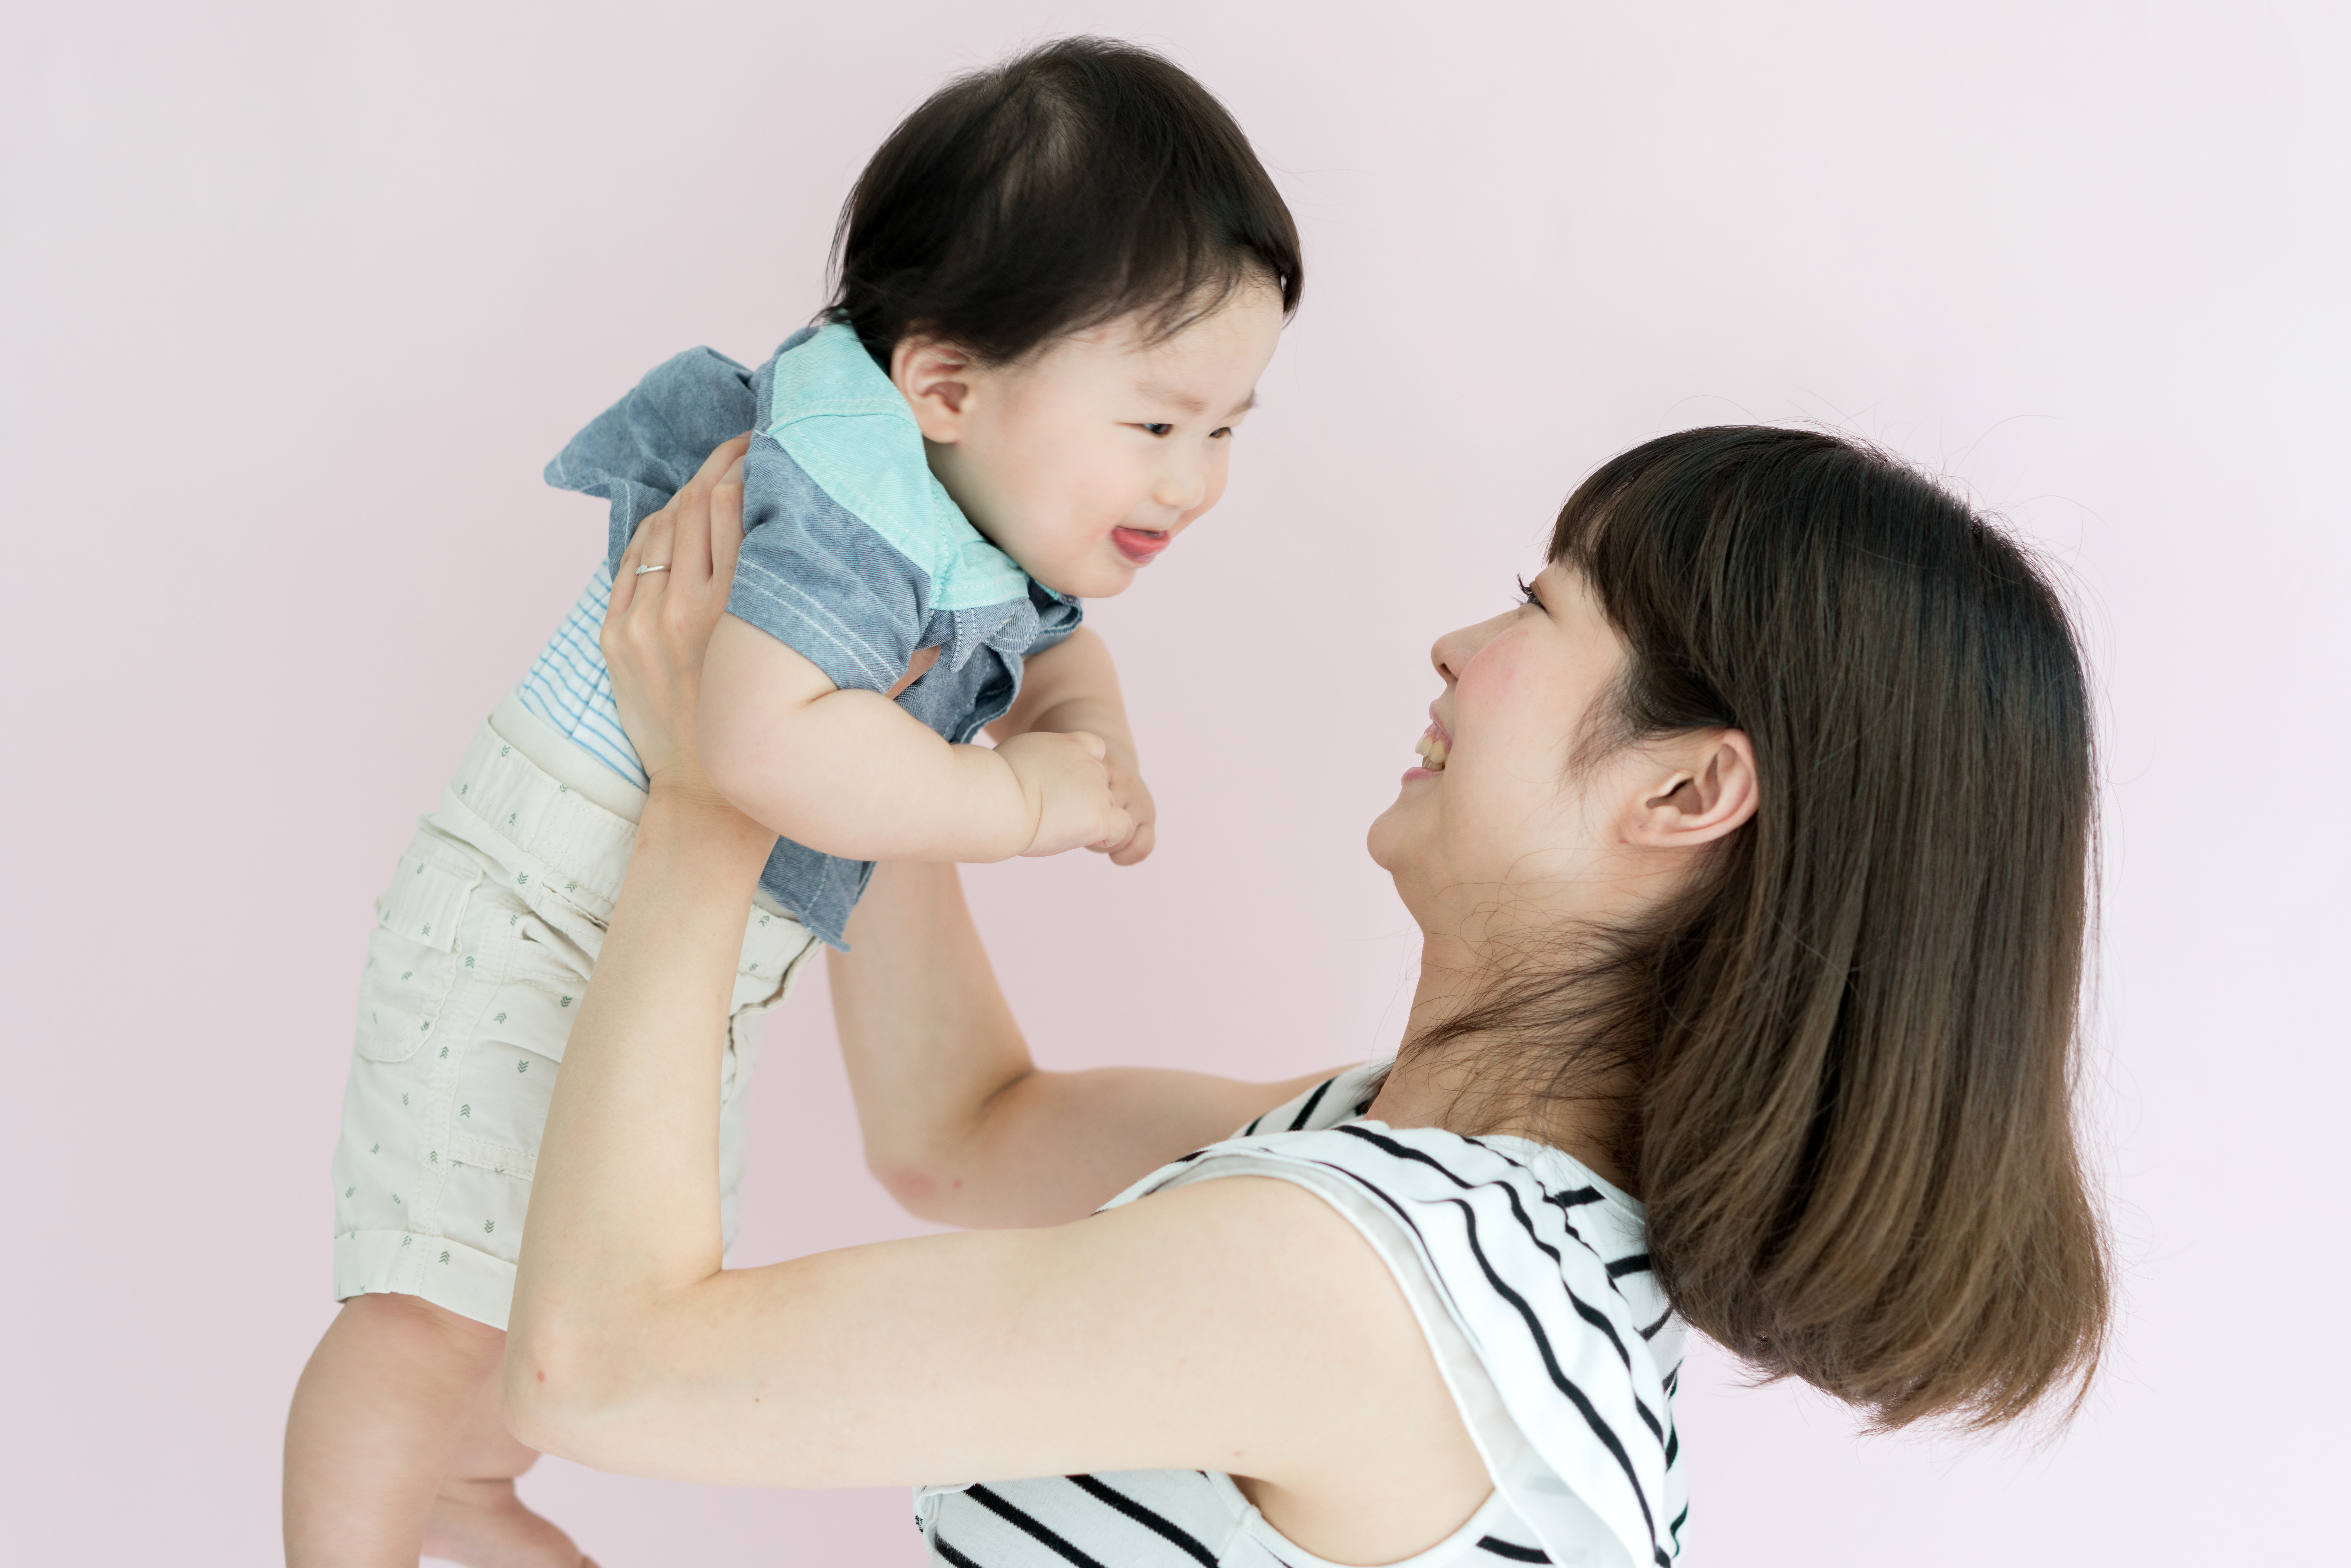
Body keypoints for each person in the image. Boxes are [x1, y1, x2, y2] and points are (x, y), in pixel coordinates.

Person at [502, 424, 2112, 1567]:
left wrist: (710, 800)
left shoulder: (1363, 1289)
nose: (1455, 646)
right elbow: (964, 1131)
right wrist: (863, 726)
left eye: (1541, 611)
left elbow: (603, 1368)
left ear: (1689, 793)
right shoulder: (1433, 1199)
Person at [282, 37, 1301, 1568]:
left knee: (522, 1325)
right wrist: (1024, 800)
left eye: (1231, 429)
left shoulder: (966, 496)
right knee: (429, 1311)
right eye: (1158, 425)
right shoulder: (835, 503)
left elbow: (1051, 654)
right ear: (945, 382)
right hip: (535, 914)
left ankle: (472, 1503)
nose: (1199, 479)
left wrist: (1100, 747)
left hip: (663, 953)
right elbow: (764, 750)